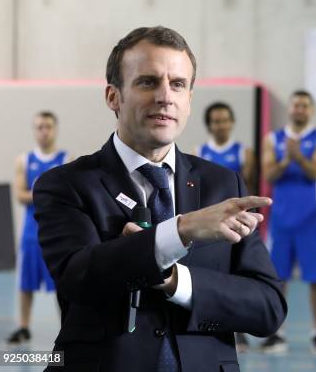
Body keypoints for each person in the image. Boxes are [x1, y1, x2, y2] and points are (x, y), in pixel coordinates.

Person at [33, 26, 286, 372]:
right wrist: (182, 230)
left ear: (189, 100)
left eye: (178, 84)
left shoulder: (225, 186)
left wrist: (175, 281)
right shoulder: (66, 185)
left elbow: (268, 307)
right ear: (113, 97)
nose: (165, 96)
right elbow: (79, 279)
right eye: (148, 82)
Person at [260, 90, 316, 354]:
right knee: (278, 279)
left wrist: (299, 157)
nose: (300, 109)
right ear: (289, 109)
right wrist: (288, 158)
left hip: (310, 220)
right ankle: (277, 332)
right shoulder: (273, 139)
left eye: (304, 105)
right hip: (281, 220)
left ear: (311, 110)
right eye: (296, 105)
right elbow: (269, 174)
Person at [6, 111, 69, 345]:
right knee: (25, 282)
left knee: (62, 282)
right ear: (35, 130)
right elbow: (20, 195)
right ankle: (24, 327)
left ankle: (67, 328)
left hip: (57, 233)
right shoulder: (24, 159)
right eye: (40, 127)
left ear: (55, 129)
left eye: (48, 127)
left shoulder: (65, 159)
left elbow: (66, 196)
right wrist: (47, 193)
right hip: (30, 234)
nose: (44, 131)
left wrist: (36, 192)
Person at [198, 101, 256, 351]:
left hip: (239, 224)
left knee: (239, 277)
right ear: (209, 125)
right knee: (213, 277)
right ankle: (216, 324)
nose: (221, 124)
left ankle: (240, 329)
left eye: (224, 119)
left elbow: (248, 187)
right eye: (216, 120)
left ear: (232, 122)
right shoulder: (200, 152)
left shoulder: (244, 153)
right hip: (212, 227)